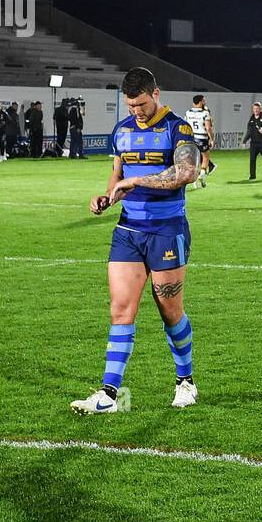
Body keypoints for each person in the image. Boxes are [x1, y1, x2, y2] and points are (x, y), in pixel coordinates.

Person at [70, 67, 200, 416]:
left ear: (156, 93)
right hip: (128, 231)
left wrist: (136, 182)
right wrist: (107, 197)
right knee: (120, 309)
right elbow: (117, 174)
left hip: (166, 231)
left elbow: (187, 173)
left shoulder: (178, 128)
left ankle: (185, 381)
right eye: (131, 106)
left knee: (170, 312)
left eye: (142, 104)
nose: (137, 111)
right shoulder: (122, 130)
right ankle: (109, 394)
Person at [186, 94, 215, 188]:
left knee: (195, 160)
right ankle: (201, 175)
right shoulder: (205, 113)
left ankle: (194, 181)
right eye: (203, 100)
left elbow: (186, 125)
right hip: (202, 138)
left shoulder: (188, 112)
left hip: (191, 138)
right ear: (200, 101)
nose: (205, 102)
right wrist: (211, 139)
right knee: (205, 158)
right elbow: (208, 128)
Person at [242, 101, 262, 180]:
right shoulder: (252, 118)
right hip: (254, 143)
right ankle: (252, 176)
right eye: (254, 108)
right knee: (252, 160)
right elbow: (249, 131)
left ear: (260, 109)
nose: (256, 110)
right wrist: (244, 141)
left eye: (257, 108)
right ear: (253, 109)